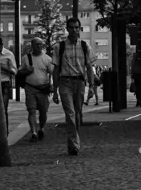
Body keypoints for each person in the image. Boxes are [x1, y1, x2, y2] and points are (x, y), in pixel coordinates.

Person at [55, 17, 94, 156]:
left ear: (79, 29)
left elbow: (89, 67)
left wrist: (92, 86)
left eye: (76, 27)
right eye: (71, 27)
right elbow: (56, 69)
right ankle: (75, 145)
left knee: (77, 114)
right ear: (67, 29)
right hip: (65, 82)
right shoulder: (60, 47)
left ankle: (73, 143)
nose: (74, 30)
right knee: (70, 113)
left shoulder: (85, 46)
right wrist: (54, 90)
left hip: (79, 82)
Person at [21, 36, 55, 142]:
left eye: (41, 44)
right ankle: (34, 133)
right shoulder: (26, 58)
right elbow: (20, 72)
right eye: (37, 44)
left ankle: (41, 128)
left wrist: (52, 85)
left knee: (43, 112)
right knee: (31, 111)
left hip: (43, 89)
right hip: (30, 87)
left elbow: (52, 74)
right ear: (32, 46)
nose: (39, 46)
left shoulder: (47, 59)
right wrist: (26, 71)